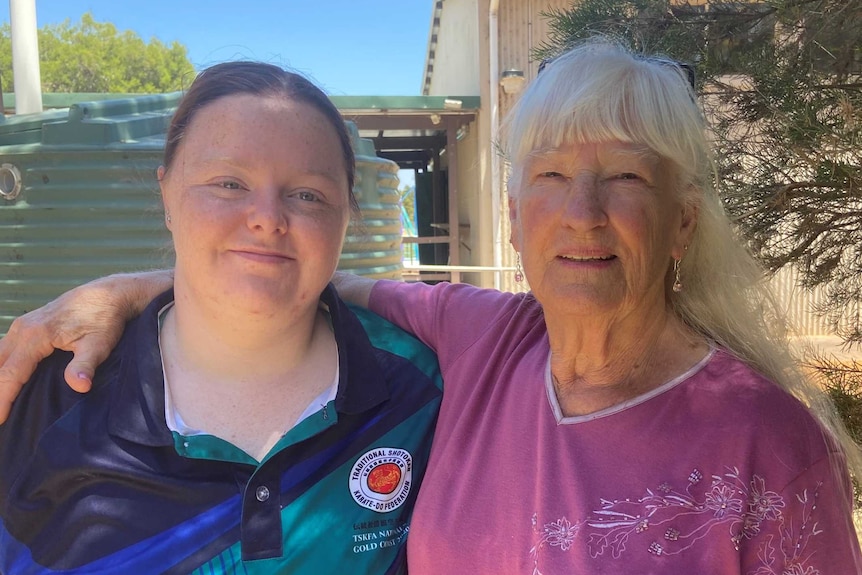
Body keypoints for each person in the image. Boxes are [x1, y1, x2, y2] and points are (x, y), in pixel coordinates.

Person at [1, 40, 860, 574]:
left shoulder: (765, 442)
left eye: (627, 178)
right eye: (552, 177)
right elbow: (290, 273)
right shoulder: (479, 344)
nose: (584, 211)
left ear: (682, 220)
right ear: (518, 215)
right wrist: (132, 287)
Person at [0, 61, 442, 575]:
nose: (266, 217)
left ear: (348, 212)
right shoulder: (44, 398)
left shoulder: (424, 392)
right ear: (166, 193)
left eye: (307, 195)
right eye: (229, 183)